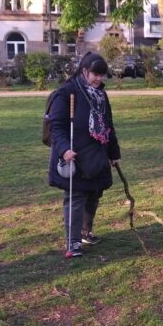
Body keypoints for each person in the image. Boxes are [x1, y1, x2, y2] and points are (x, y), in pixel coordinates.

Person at [47, 52, 121, 258]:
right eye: (95, 75)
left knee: (94, 194)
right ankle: (73, 242)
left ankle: (85, 232)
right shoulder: (66, 93)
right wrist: (64, 149)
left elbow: (108, 124)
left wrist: (114, 152)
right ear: (84, 71)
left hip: (97, 153)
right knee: (76, 197)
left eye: (102, 75)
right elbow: (57, 126)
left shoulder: (101, 94)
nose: (99, 79)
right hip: (75, 154)